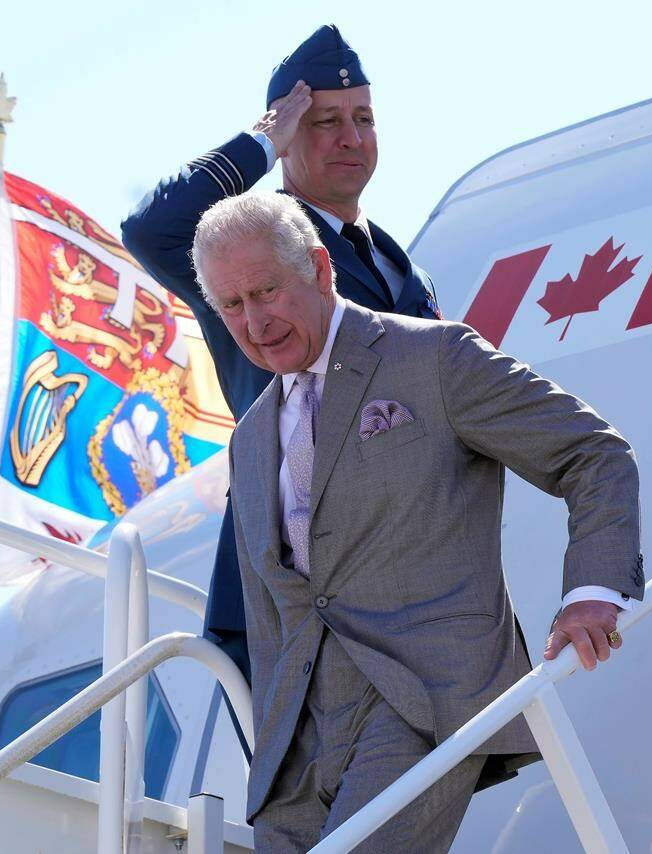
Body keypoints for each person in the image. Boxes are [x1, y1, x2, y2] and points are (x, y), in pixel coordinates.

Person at [191, 191, 643, 851]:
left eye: (267, 291)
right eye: (232, 305)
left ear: (320, 268)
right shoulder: (250, 437)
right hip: (297, 747)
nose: (255, 322)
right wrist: (272, 748)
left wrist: (593, 591)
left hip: (422, 699)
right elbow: (272, 618)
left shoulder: (433, 360)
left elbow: (592, 451)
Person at [120, 25, 443, 690]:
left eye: (363, 119)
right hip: (296, 584)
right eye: (325, 122)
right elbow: (154, 228)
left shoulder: (396, 264)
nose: (352, 138)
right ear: (288, 136)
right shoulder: (244, 247)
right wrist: (260, 139)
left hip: (409, 583)